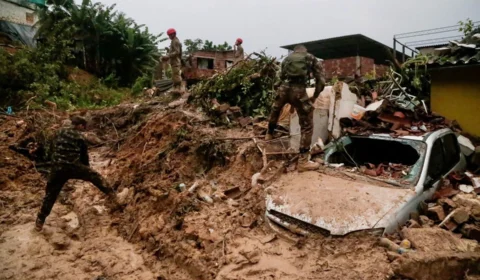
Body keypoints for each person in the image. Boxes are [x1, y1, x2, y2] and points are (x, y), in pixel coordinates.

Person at [35, 116, 120, 232]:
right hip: (73, 166)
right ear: (79, 125)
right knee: (95, 177)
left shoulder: (57, 132)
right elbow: (84, 156)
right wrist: (86, 169)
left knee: (50, 195)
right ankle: (114, 196)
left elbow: (49, 151)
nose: (83, 129)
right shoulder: (79, 136)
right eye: (83, 127)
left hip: (57, 168)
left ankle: (40, 220)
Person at [265, 45, 326, 172]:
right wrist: (314, 96)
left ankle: (269, 134)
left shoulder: (287, 59)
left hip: (283, 89)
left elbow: (277, 80)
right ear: (305, 51)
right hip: (299, 91)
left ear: (295, 51)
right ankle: (303, 162)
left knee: (276, 109)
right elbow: (321, 81)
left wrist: (283, 93)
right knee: (307, 124)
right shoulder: (311, 58)